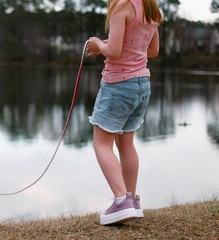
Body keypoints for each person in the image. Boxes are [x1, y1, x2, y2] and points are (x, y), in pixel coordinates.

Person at [86, 0, 162, 225]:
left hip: (118, 85)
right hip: (141, 84)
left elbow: (115, 52)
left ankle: (120, 201)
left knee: (102, 144)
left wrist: (97, 44)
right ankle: (131, 201)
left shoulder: (121, 7)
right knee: (126, 144)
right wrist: (110, 45)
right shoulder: (151, 9)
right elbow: (153, 50)